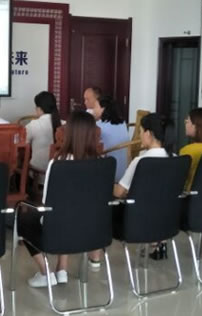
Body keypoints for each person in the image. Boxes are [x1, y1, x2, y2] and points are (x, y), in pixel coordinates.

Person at [19, 110, 99, 288]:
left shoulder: (59, 162)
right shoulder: (102, 162)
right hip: (92, 229)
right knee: (71, 210)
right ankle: (62, 268)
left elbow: (48, 201)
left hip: (59, 228)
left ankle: (45, 272)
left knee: (23, 218)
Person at [113, 113, 174, 260]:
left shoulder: (141, 161)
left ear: (148, 133)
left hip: (137, 220)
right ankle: (158, 243)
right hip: (168, 220)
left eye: (140, 131)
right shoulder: (176, 159)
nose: (139, 136)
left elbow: (119, 192)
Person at [25, 91, 61, 173]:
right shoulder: (64, 124)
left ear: (39, 108)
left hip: (38, 171)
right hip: (58, 171)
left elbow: (23, 143)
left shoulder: (33, 125)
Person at [96, 96, 129, 181]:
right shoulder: (122, 122)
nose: (94, 110)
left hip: (110, 171)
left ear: (103, 108)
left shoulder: (99, 126)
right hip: (125, 170)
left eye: (96, 107)